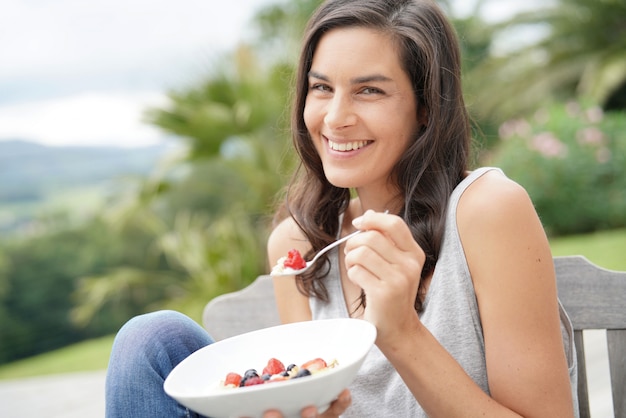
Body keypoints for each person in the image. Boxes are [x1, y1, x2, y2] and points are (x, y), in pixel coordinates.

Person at [105, 0, 579, 417]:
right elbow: (312, 399)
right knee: (151, 339)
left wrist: (402, 334)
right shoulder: (298, 243)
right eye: (322, 88)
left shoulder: (488, 212)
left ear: (427, 107)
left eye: (369, 90)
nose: (335, 118)